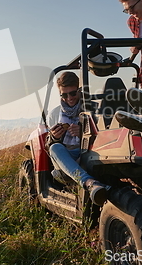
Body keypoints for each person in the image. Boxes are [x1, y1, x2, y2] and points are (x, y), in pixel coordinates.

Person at [46, 71, 109, 206]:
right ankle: (88, 182)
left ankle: (94, 184)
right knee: (54, 147)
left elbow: (104, 135)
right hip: (67, 155)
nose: (69, 98)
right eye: (64, 95)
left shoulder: (93, 108)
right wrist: (54, 137)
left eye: (73, 93)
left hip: (89, 151)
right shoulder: (54, 114)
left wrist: (84, 133)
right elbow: (48, 146)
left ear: (79, 90)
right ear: (60, 94)